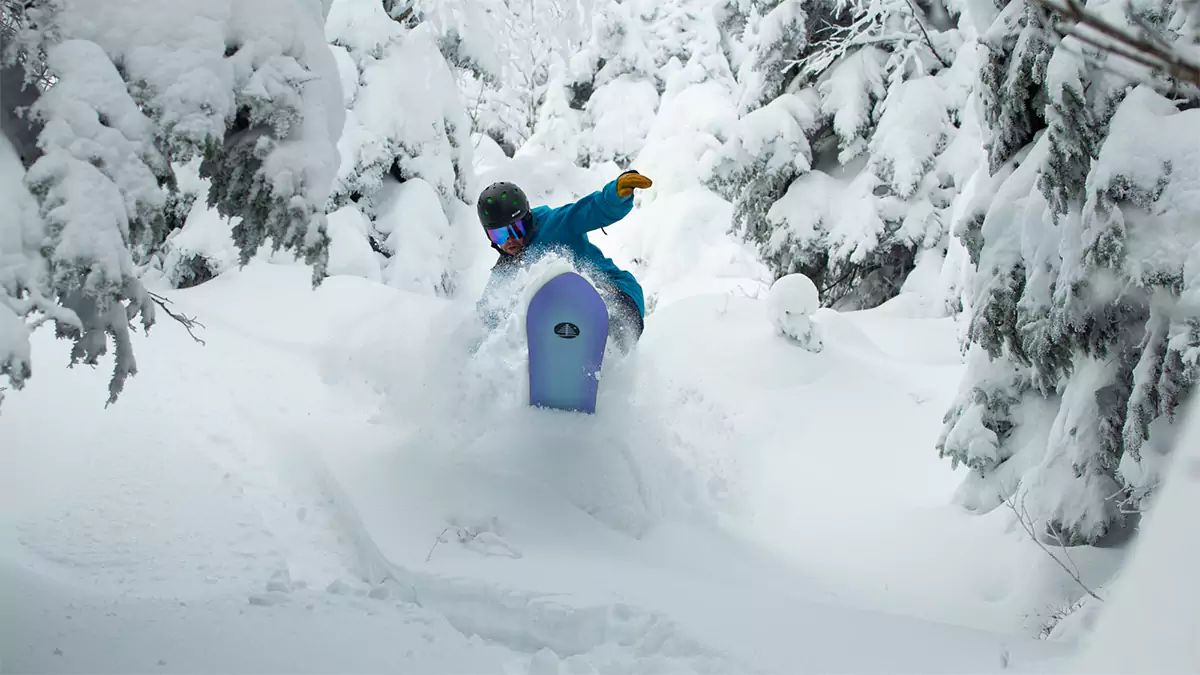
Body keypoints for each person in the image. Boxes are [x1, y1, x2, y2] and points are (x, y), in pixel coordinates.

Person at [477, 170, 653, 351]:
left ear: (527, 220)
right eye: (499, 235)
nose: (509, 240)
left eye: (515, 230)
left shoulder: (555, 224)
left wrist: (615, 195)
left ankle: (602, 342)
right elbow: (487, 314)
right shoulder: (505, 269)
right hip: (565, 323)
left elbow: (593, 210)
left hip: (618, 296)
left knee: (558, 283)